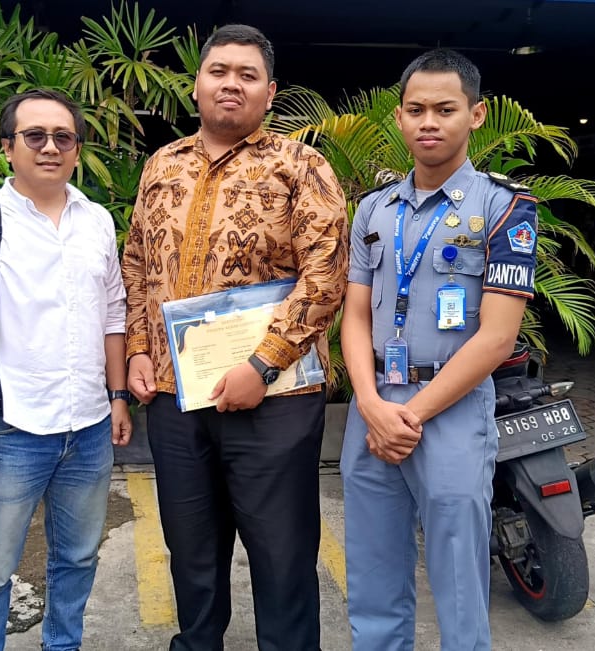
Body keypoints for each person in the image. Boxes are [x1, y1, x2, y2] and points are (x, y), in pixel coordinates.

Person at [122, 24, 348, 650]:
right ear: (196, 84)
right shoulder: (161, 165)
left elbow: (326, 274)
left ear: (269, 93)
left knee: (282, 553)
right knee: (190, 548)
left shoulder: (301, 166)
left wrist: (262, 365)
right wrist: (138, 348)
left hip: (274, 397)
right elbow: (136, 263)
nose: (231, 84)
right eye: (218, 71)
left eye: (248, 75)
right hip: (174, 396)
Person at [339, 48, 539, 650]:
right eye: (416, 109)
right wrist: (370, 403)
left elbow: (497, 336)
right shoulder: (374, 210)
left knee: (458, 578)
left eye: (445, 109)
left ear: (475, 115)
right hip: (374, 404)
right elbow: (354, 316)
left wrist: (411, 415)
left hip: (450, 410)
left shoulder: (504, 206)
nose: (429, 122)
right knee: (372, 572)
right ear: (399, 117)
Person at [0, 89, 133, 651]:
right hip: (9, 429)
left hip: (88, 427)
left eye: (63, 137)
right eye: (34, 136)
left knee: (78, 557)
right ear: (7, 147)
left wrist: (118, 397)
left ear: (77, 149)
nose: (50, 147)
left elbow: (113, 314)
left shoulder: (96, 221)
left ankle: (62, 645)